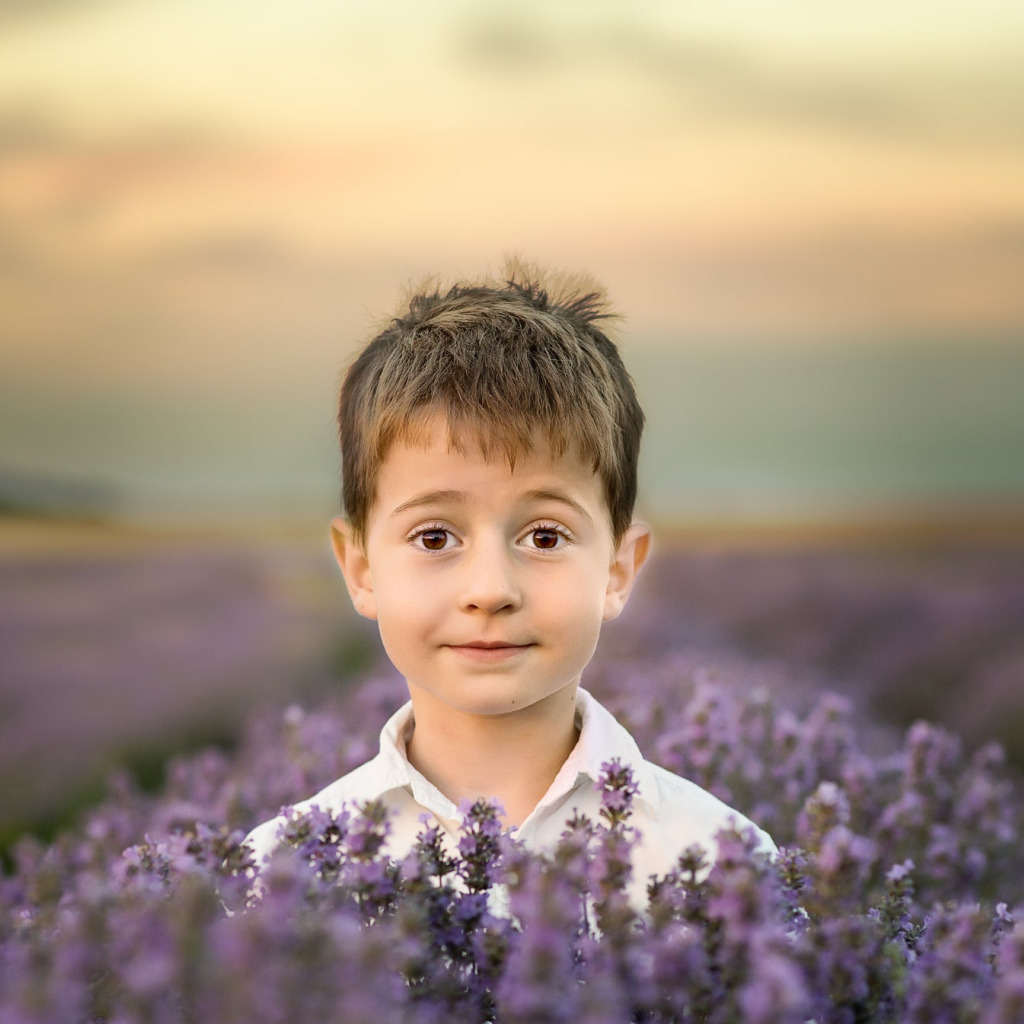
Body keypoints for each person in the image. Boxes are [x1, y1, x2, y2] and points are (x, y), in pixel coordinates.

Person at [244, 261, 775, 904]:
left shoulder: (725, 860)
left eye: (544, 537)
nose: (490, 589)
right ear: (360, 570)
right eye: (435, 537)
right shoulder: (282, 871)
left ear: (618, 569)